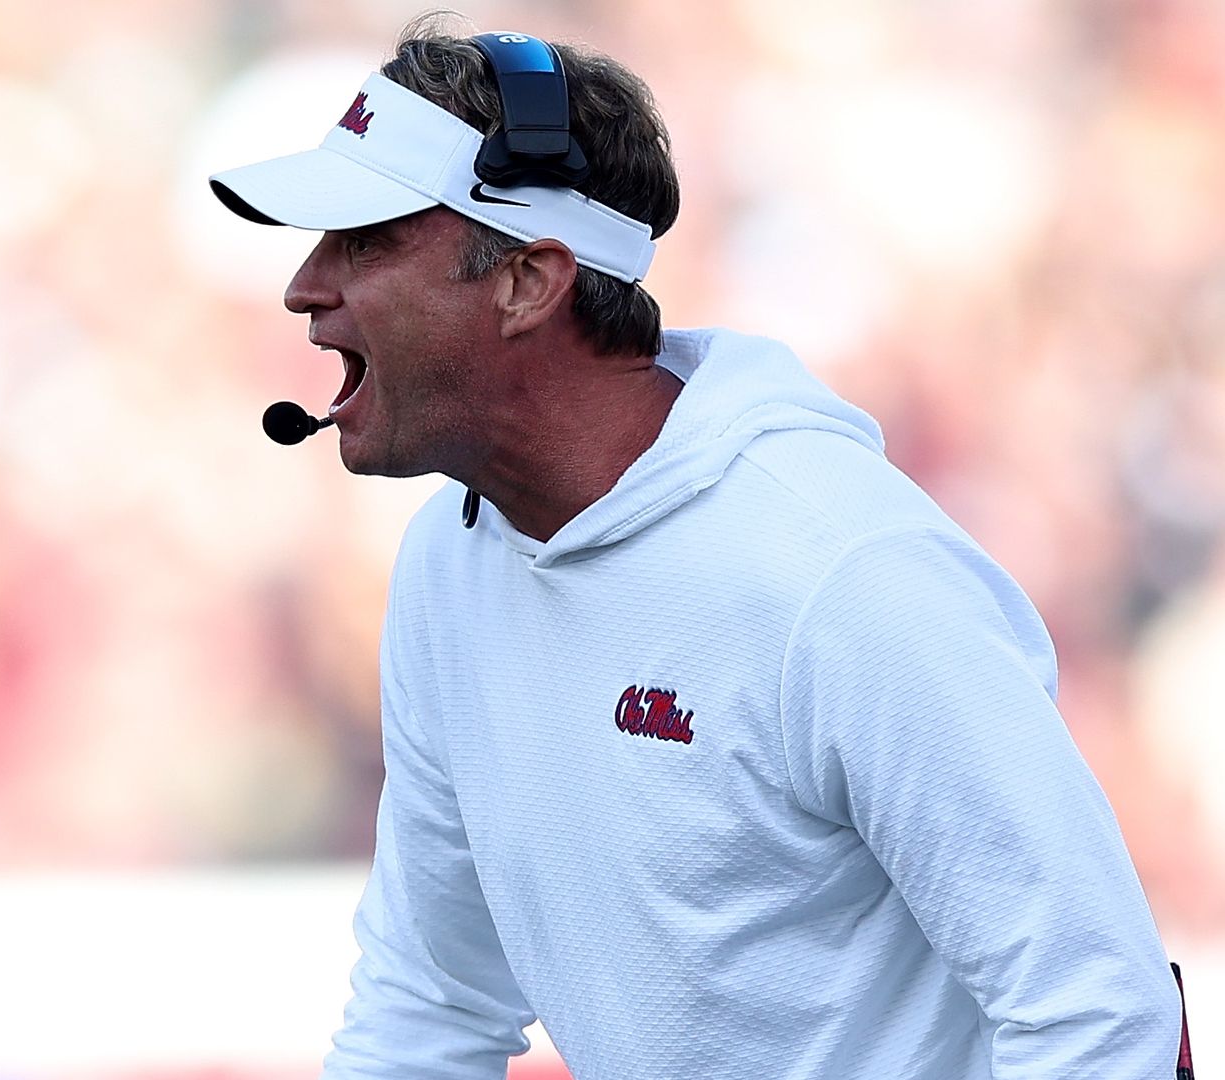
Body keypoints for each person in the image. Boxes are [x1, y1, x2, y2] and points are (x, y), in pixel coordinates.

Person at [209, 18, 1188, 1079]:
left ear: (528, 282)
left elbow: (1100, 1015)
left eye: (364, 242)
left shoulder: (842, 574)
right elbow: (426, 1009)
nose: (306, 290)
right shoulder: (449, 566)